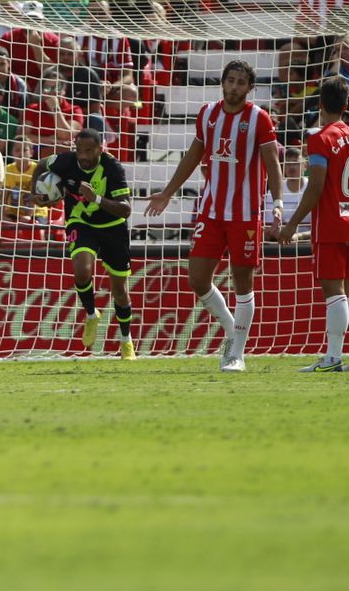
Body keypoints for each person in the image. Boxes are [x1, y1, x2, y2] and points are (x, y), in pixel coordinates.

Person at [147, 60, 283, 372]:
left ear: (250, 88)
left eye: (241, 82)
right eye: (230, 80)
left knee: (243, 282)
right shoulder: (208, 114)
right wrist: (167, 192)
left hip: (246, 214)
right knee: (197, 278)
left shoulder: (259, 119)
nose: (234, 87)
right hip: (210, 211)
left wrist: (276, 201)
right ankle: (232, 328)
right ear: (222, 83)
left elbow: (273, 163)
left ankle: (236, 353)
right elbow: (194, 155)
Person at [277, 76, 349, 373]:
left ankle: (333, 358)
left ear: (320, 104)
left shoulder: (320, 139)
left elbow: (316, 186)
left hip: (331, 224)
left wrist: (293, 224)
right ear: (347, 105)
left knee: (334, 291)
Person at [34, 128, 136, 359]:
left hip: (113, 227)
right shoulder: (65, 161)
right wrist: (36, 193)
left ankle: (126, 340)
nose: (83, 156)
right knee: (81, 270)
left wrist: (96, 199)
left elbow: (126, 209)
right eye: (79, 150)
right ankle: (91, 314)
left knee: (120, 290)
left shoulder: (113, 168)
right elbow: (41, 165)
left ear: (101, 149)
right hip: (81, 223)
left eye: (89, 151)